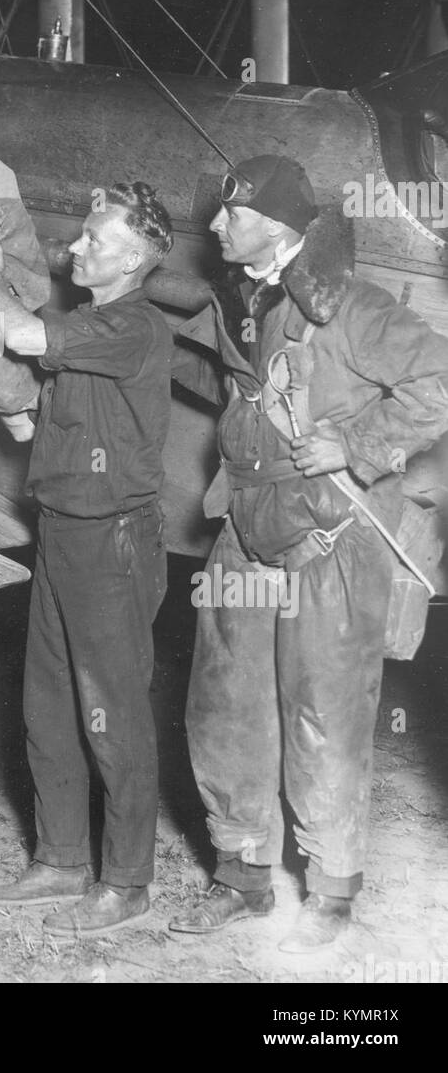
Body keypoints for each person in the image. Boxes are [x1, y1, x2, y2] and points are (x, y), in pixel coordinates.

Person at [170, 154, 448, 952]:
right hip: (246, 532)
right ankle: (241, 873)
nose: (216, 226)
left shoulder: (352, 308)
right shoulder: (241, 300)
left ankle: (329, 890)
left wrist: (360, 444)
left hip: (331, 540)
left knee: (323, 711)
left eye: (232, 214)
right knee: (225, 704)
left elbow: (438, 374)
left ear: (282, 227)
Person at [0, 183, 175, 939]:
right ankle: (59, 858)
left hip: (111, 543)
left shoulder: (134, 326)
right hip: (59, 529)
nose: (75, 248)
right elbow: (49, 415)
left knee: (111, 713)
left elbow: (26, 338)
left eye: (92, 239)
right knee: (46, 703)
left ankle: (127, 880)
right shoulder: (92, 324)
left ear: (130, 259)